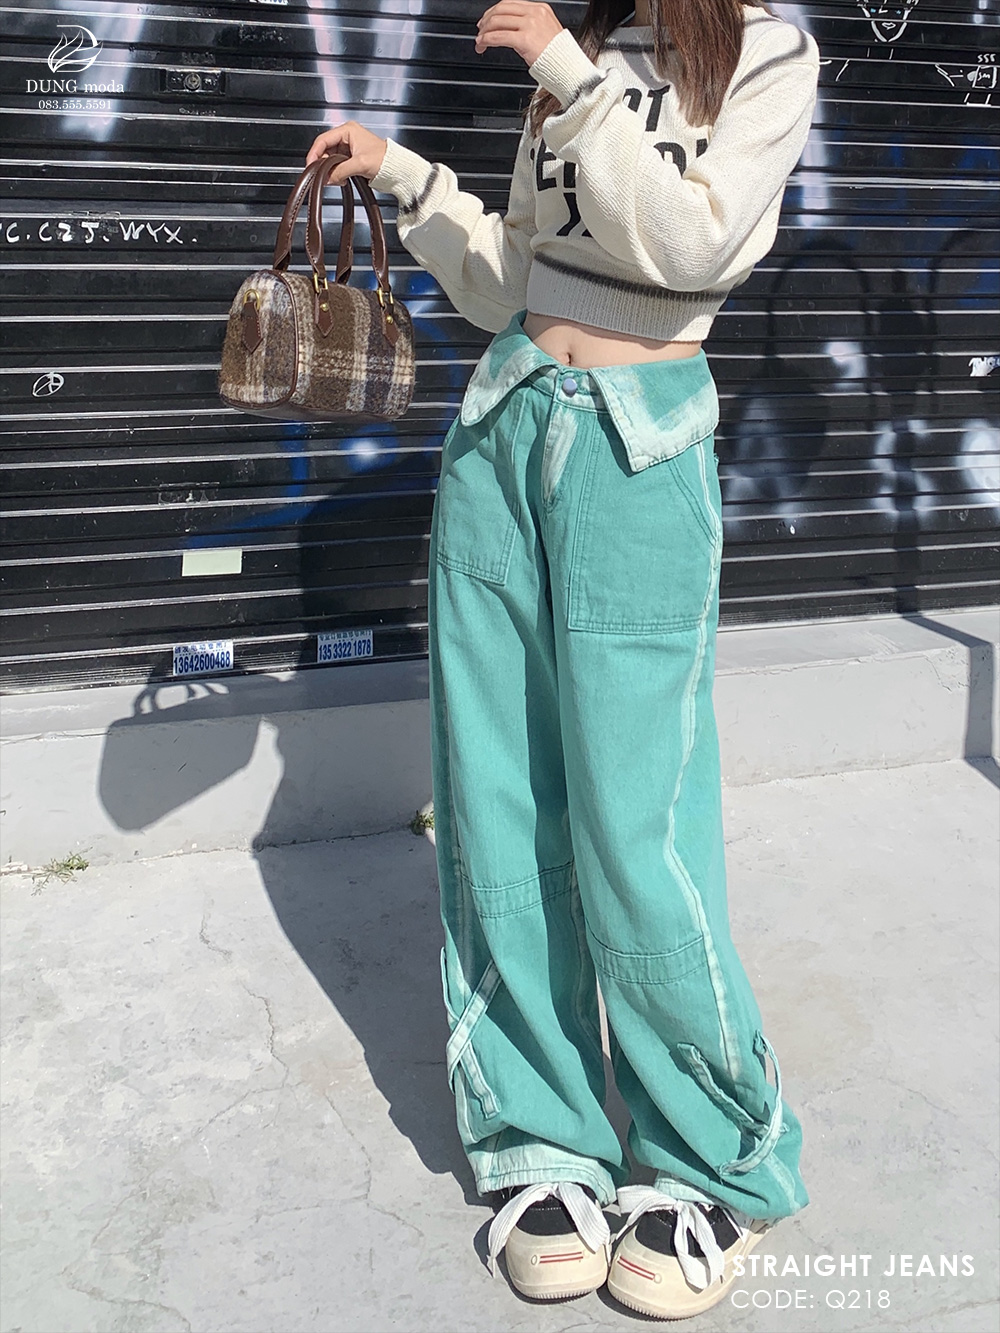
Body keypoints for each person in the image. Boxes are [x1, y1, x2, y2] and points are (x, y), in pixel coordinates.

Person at [307, 0, 820, 1320]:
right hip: (504, 433)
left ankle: (715, 1151)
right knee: (499, 802)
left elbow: (695, 242)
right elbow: (513, 283)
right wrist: (406, 176)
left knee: (638, 822)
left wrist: (564, 70)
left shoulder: (763, 53)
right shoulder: (589, 49)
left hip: (638, 456)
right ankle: (542, 1129)